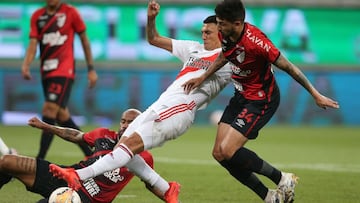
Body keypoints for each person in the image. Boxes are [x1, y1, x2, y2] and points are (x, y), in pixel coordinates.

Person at [48, 0, 232, 200]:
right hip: (161, 105)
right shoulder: (193, 48)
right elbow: (153, 39)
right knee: (122, 148)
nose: (203, 35)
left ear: (221, 33)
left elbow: (245, 63)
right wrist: (151, 19)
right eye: (203, 31)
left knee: (127, 147)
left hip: (180, 109)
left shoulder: (227, 58)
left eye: (208, 32)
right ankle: (166, 188)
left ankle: (77, 175)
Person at [182, 0, 340, 203]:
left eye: (222, 23)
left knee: (229, 150)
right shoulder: (226, 34)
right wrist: (202, 77)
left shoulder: (257, 43)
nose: (218, 28)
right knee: (219, 153)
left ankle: (282, 178)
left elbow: (290, 67)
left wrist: (315, 94)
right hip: (240, 96)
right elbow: (225, 55)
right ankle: (269, 197)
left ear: (237, 23)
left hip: (261, 100)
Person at [0, 109, 179, 203]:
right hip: (68, 175)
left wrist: (169, 197)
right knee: (7, 162)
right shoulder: (103, 134)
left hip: (89, 198)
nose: (125, 125)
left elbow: (151, 183)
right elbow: (75, 135)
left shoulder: (143, 156)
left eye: (131, 123)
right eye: (123, 121)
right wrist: (46, 126)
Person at [21, 0, 98, 159]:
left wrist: (91, 68)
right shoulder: (37, 16)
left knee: (49, 109)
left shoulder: (70, 12)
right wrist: (26, 64)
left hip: (64, 70)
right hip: (46, 71)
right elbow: (33, 43)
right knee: (61, 116)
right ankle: (91, 155)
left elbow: (85, 40)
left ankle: (39, 161)